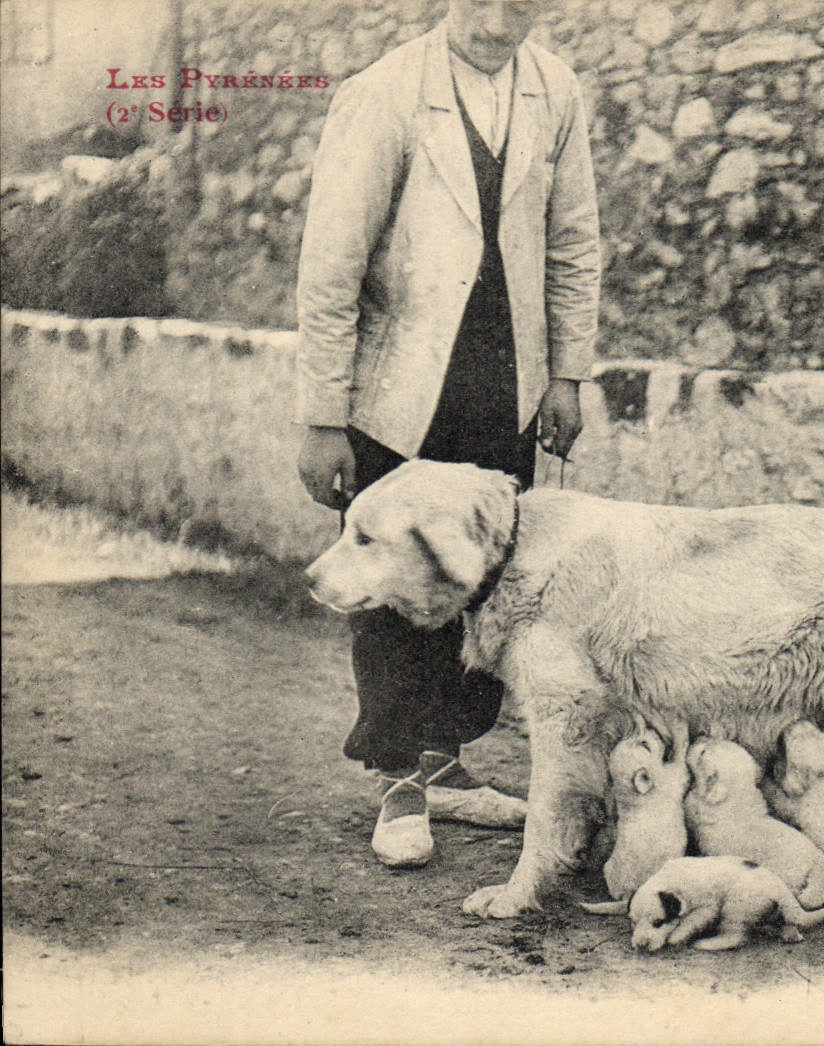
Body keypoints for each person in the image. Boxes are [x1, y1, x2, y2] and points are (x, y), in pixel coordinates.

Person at [294, 0, 599, 869]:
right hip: (399, 391)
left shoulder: (557, 91)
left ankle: (450, 764)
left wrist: (566, 376)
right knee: (395, 582)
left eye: (522, 8)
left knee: (485, 581)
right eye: (482, 3)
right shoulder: (385, 92)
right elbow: (331, 266)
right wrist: (324, 418)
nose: (500, 25)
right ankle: (397, 780)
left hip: (504, 386)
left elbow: (573, 241)